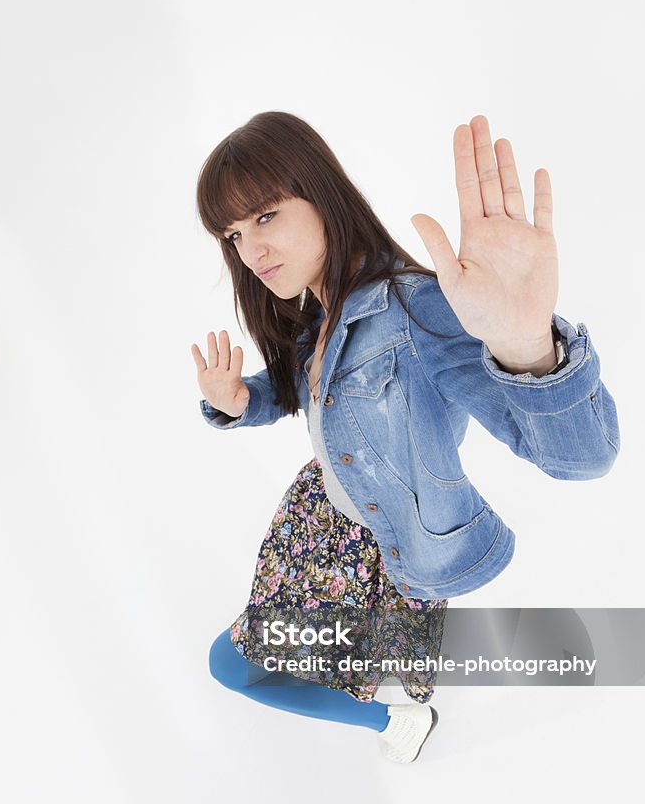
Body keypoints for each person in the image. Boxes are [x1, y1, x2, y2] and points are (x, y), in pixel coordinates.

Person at [191, 111, 620, 763]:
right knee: (240, 659)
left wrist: (528, 346)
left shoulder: (418, 305)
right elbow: (297, 389)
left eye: (266, 216)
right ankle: (396, 715)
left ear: (320, 191)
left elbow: (581, 459)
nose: (251, 250)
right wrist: (238, 401)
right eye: (234, 233)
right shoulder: (319, 314)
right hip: (318, 522)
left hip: (377, 544)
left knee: (235, 663)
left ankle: (397, 720)